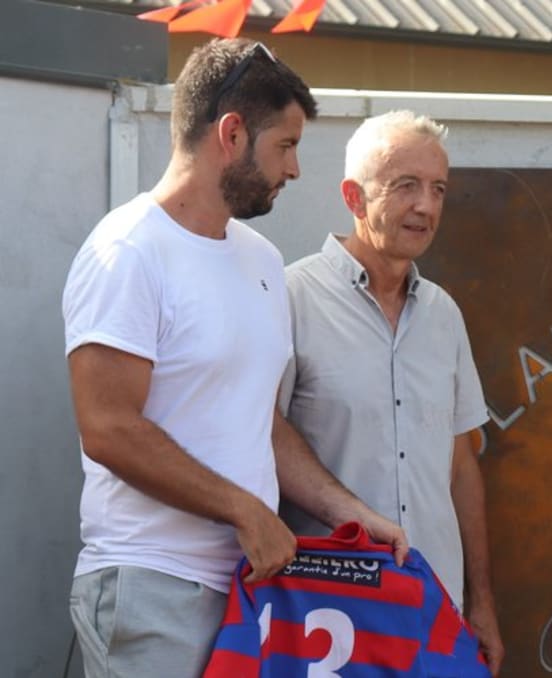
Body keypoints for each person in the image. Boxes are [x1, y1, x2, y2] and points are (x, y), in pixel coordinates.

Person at [63, 38, 408, 678]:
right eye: (286, 144)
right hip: (152, 587)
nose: (296, 168)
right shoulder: (127, 251)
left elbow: (260, 420)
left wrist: (348, 513)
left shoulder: (261, 262)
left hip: (250, 593)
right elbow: (108, 427)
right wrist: (248, 511)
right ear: (231, 133)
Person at [279, 110, 504, 674]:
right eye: (405, 186)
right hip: (329, 618)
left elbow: (460, 467)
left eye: (437, 189)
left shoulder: (444, 315)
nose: (426, 207)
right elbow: (256, 440)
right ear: (354, 196)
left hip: (435, 608)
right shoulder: (289, 299)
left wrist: (481, 602)